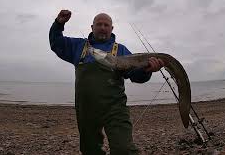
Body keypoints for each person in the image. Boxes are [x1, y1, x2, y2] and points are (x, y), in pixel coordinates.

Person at [49, 10, 164, 155]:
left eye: (106, 25)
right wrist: (58, 24)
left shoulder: (120, 50)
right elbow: (56, 43)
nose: (102, 27)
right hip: (86, 110)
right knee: (90, 150)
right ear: (92, 27)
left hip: (115, 108)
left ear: (112, 28)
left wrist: (147, 70)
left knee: (124, 149)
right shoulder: (78, 46)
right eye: (99, 24)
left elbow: (135, 76)